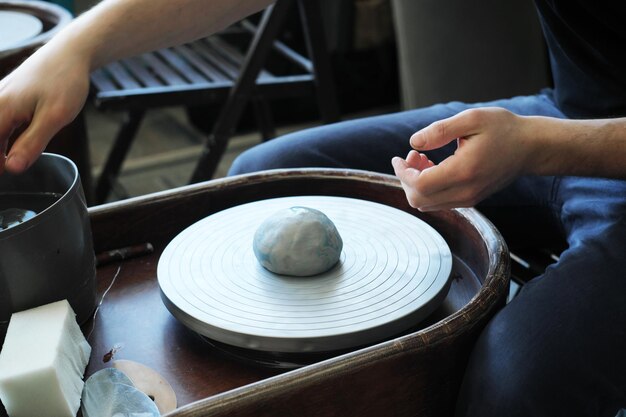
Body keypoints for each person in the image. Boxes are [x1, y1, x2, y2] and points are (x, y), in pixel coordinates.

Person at [1, 0, 625, 415]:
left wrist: (536, 146)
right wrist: (76, 48)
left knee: (513, 385)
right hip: (566, 112)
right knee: (259, 178)